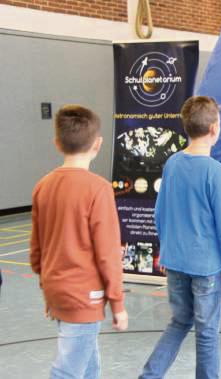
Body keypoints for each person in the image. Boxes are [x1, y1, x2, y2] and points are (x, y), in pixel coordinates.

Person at [140, 96, 221, 378]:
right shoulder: (216, 172)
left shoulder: (173, 162)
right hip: (205, 268)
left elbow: (159, 213)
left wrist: (166, 251)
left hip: (175, 262)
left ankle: (149, 375)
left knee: (179, 321)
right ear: (214, 129)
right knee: (207, 332)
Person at [30, 104, 128, 378]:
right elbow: (108, 253)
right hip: (84, 295)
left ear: (57, 143)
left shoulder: (43, 186)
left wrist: (48, 287)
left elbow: (37, 251)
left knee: (89, 362)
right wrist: (117, 304)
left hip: (56, 289)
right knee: (68, 370)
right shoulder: (98, 189)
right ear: (97, 144)